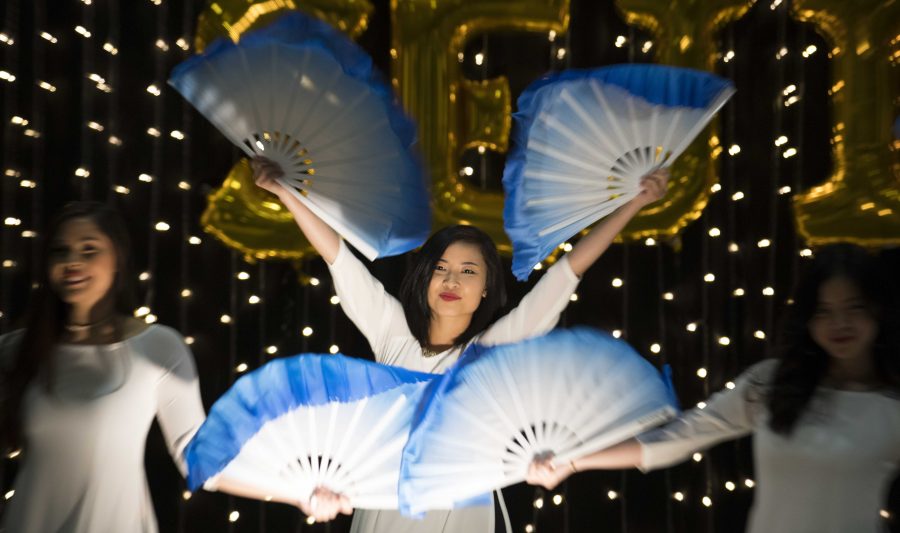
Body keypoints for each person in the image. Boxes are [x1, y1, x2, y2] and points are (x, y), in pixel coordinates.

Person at [249, 156, 669, 532]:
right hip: (387, 501)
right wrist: (283, 190)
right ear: (426, 279)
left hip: (463, 509)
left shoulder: (492, 350)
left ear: (486, 288)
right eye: (442, 268)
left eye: (469, 271)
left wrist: (632, 204)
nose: (452, 281)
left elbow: (566, 273)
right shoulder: (393, 336)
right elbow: (339, 258)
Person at [527, 243, 900, 533]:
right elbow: (680, 436)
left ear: (878, 311)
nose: (840, 323)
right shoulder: (773, 382)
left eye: (854, 308)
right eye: (823, 311)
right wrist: (573, 462)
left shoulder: (892, 405)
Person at [0, 201, 206, 533]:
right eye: (60, 251)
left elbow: (198, 454)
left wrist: (296, 489)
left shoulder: (157, 347)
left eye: (89, 249)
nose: (72, 262)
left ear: (118, 261)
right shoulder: (15, 350)